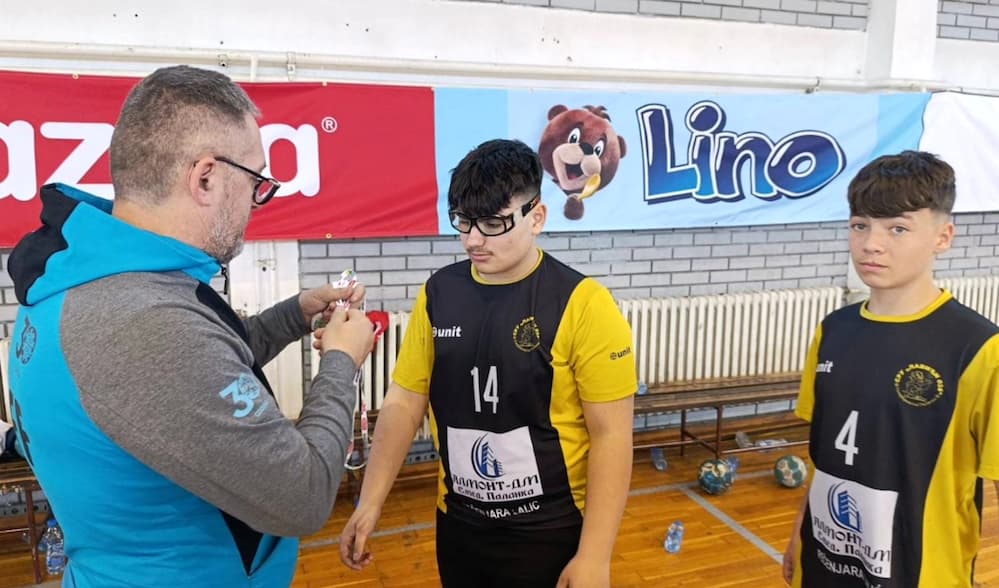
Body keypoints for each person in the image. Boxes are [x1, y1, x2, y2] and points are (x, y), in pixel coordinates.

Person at [5, 65, 375, 587]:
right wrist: (341, 361)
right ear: (205, 178)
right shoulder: (143, 322)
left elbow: (193, 377)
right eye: (256, 182)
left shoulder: (83, 278)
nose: (255, 202)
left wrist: (295, 312)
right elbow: (304, 496)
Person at [338, 139, 637, 587]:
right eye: (463, 221)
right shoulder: (439, 294)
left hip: (550, 531)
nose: (472, 239)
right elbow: (405, 399)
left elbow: (611, 435)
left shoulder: (584, 303)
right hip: (460, 526)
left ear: (537, 217)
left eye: (493, 223)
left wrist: (595, 556)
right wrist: (371, 501)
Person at [783, 150, 999, 587]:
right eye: (860, 225)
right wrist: (798, 533)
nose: (871, 244)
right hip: (826, 562)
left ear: (943, 237)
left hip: (922, 572)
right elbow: (826, 457)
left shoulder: (979, 348)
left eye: (897, 228)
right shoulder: (833, 331)